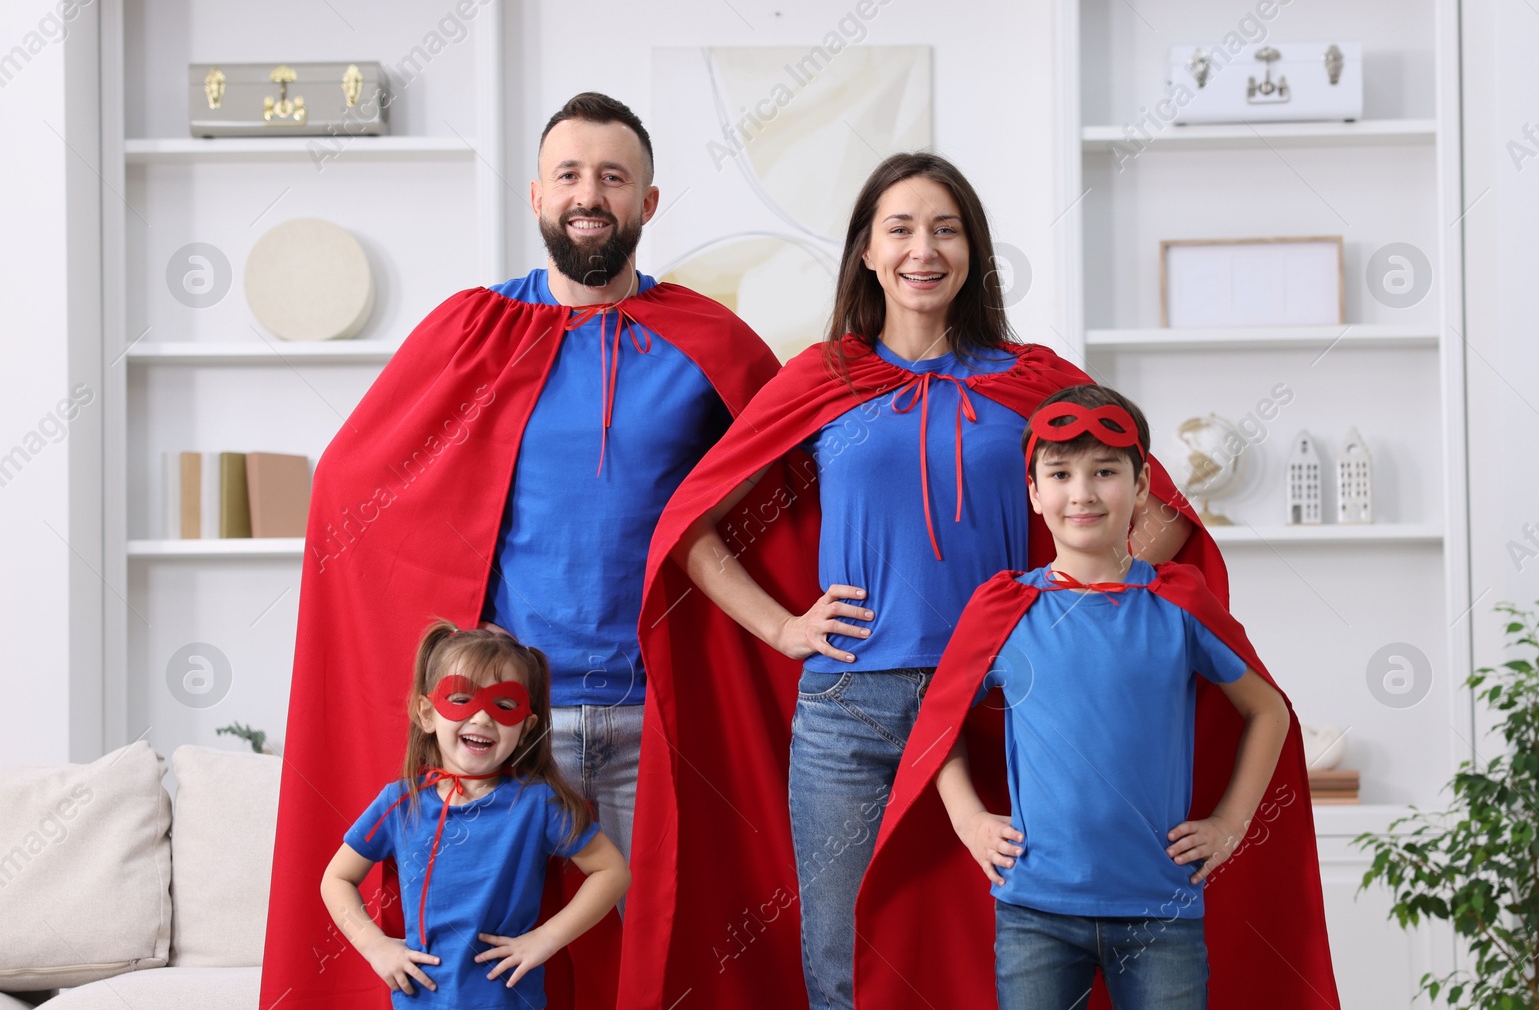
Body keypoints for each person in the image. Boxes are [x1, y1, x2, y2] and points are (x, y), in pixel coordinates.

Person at [618, 153, 1224, 1010]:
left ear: (973, 250)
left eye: (945, 229)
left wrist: (1082, 569)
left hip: (1011, 703)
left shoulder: (1033, 382)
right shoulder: (824, 379)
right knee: (842, 960)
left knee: (1014, 962)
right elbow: (693, 525)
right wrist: (787, 628)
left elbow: (1156, 523)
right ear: (867, 250)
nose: (922, 249)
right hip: (852, 713)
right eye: (899, 229)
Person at [262, 92, 779, 1010]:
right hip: (505, 733)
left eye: (613, 177)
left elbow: (796, 488)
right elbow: (357, 476)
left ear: (647, 204)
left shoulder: (708, 341)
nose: (590, 194)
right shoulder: (474, 330)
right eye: (571, 175)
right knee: (488, 974)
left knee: (667, 959)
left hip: (652, 719)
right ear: (538, 195)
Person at [856, 385, 1341, 1009]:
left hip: (1162, 907)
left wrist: (1229, 825)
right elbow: (937, 725)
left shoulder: (1178, 603)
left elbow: (1267, 708)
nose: (1081, 493)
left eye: (1104, 471)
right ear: (1034, 493)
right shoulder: (1003, 610)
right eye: (1060, 473)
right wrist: (968, 819)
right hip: (1035, 911)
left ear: (1141, 488)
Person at [321, 623, 629, 1008]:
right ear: (427, 713)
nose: (483, 719)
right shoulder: (400, 803)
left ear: (526, 726)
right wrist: (374, 947)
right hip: (421, 1001)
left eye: (504, 705)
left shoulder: (538, 803)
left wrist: (545, 939)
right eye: (461, 698)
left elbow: (613, 872)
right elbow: (336, 878)